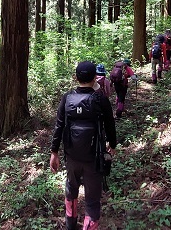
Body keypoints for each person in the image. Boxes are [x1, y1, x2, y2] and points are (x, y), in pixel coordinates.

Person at [50, 61, 118, 230]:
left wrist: (54, 152)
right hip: (93, 159)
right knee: (93, 201)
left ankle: (70, 226)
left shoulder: (67, 98)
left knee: (71, 191)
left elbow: (59, 126)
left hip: (72, 156)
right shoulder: (100, 98)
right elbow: (110, 124)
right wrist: (113, 145)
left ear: (76, 77)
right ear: (95, 77)